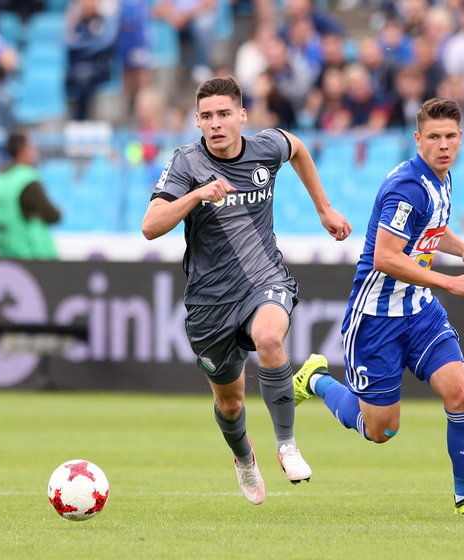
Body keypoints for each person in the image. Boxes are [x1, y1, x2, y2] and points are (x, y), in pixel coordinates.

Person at [141, 76, 351, 505]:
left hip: (263, 280)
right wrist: (197, 195)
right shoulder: (186, 163)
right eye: (207, 117)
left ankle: (287, 444)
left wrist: (324, 208)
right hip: (210, 301)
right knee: (231, 403)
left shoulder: (265, 147)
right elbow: (150, 226)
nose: (216, 124)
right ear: (197, 121)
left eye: (224, 114)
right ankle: (243, 458)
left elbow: (298, 148)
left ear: (242, 116)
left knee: (271, 336)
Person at [293, 98, 464, 516]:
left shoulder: (441, 179)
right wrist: (450, 281)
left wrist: (463, 248)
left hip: (419, 312)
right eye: (433, 137)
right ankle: (316, 380)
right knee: (382, 430)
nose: (443, 145)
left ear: (460, 138)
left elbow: (432, 229)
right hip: (376, 318)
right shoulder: (407, 187)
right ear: (417, 139)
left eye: (449, 137)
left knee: (460, 393)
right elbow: (386, 258)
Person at [0, 132, 61, 260]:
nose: (36, 151)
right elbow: (53, 215)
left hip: (4, 252)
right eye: (32, 147)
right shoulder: (26, 180)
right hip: (31, 256)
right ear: (22, 151)